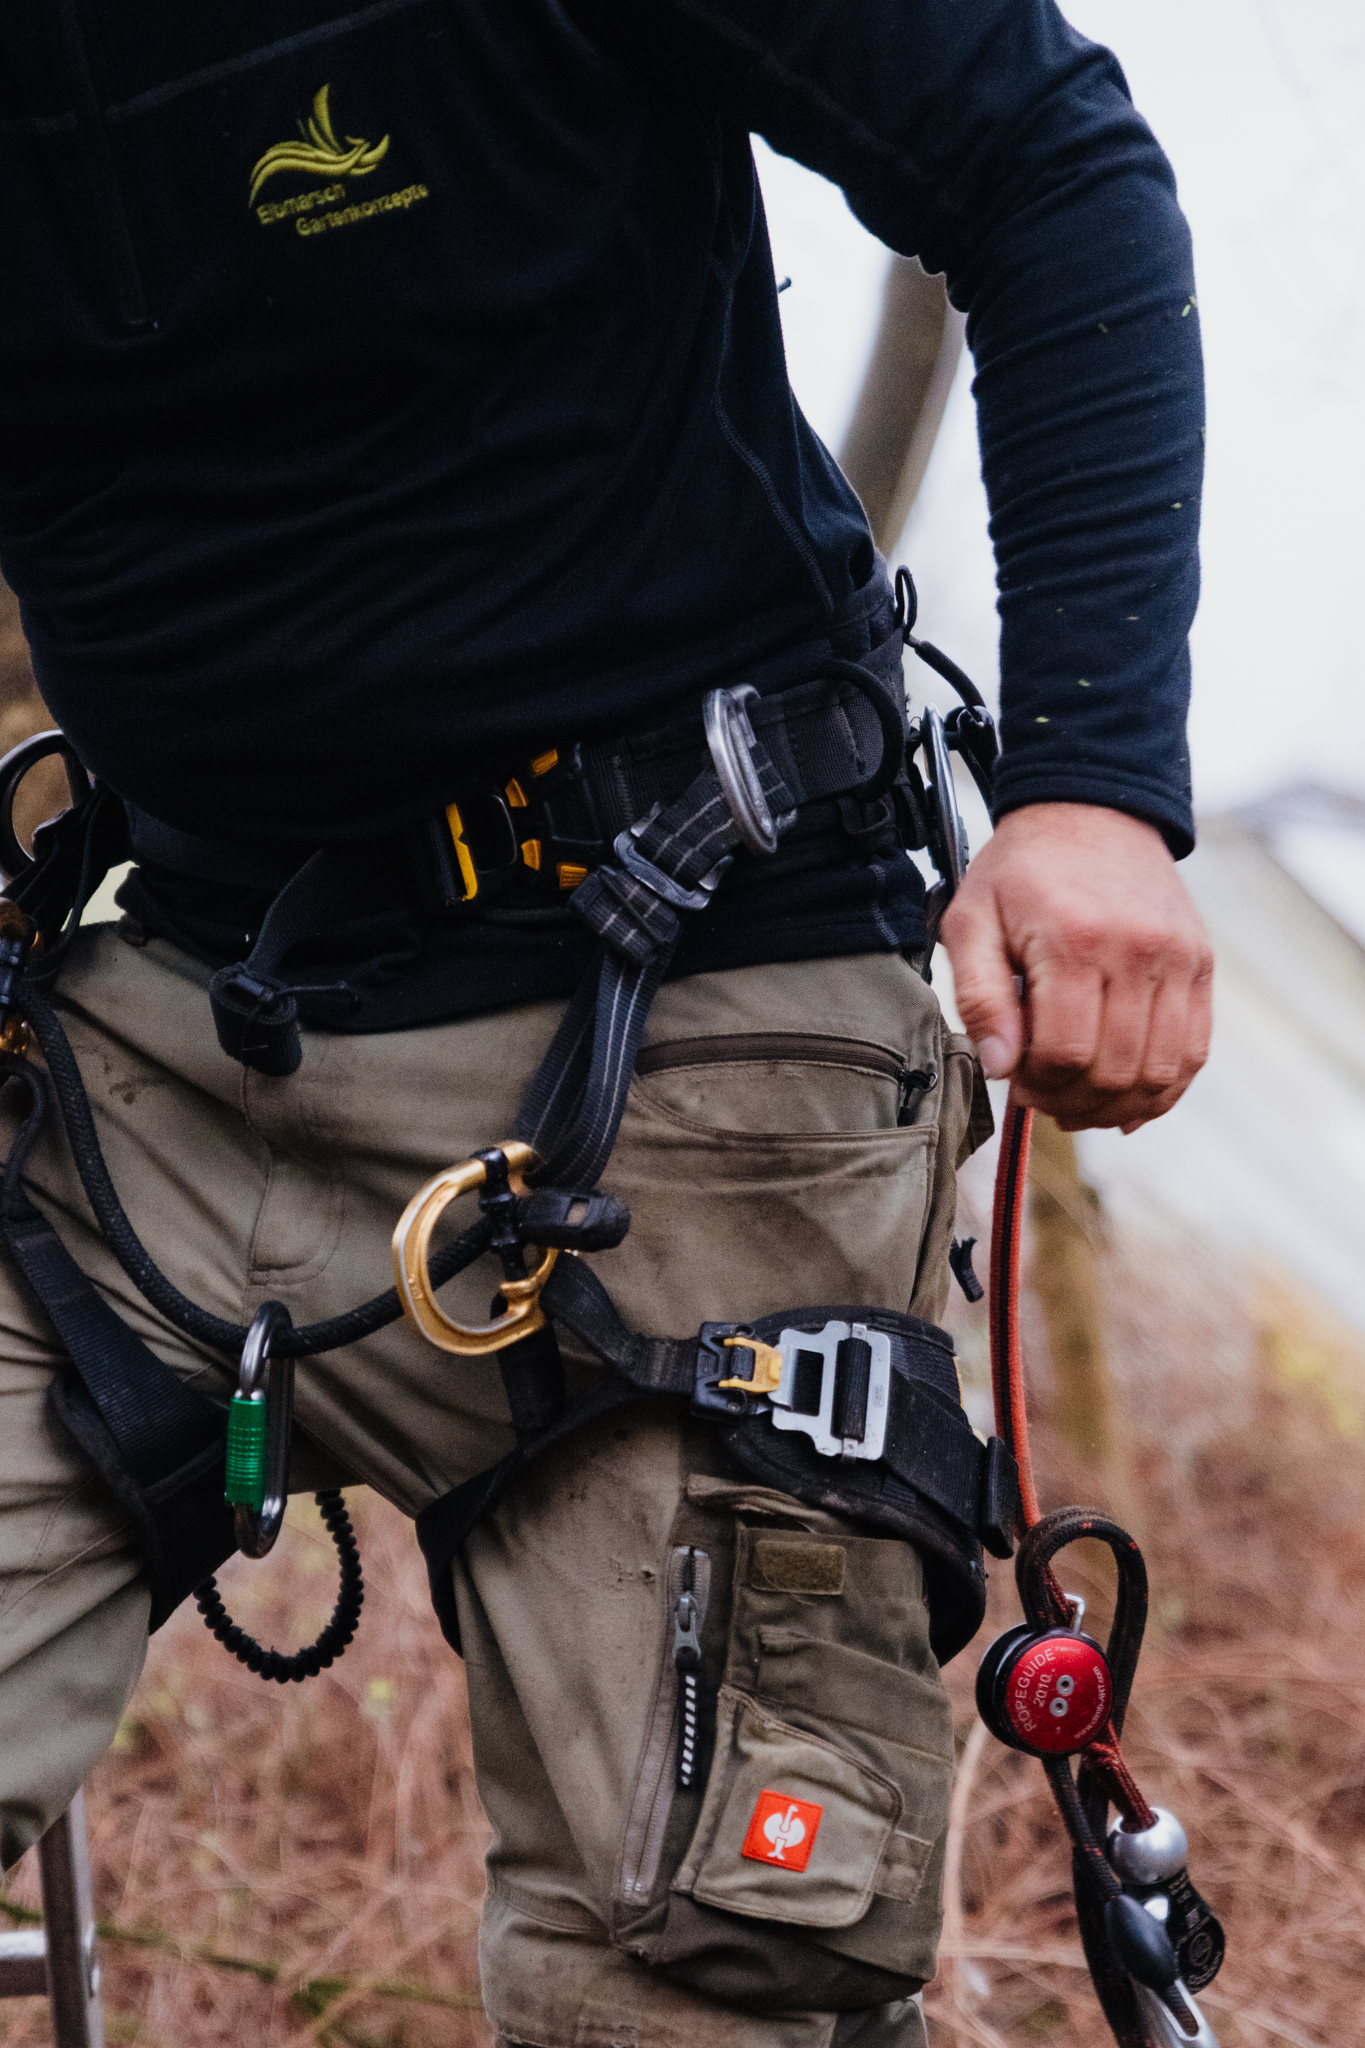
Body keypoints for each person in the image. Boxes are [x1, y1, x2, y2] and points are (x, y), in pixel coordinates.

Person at [0, 0, 1212, 2041]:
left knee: (705, 1978)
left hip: (697, 1036)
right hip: (164, 1058)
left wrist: (1094, 793)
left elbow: (1041, 152)